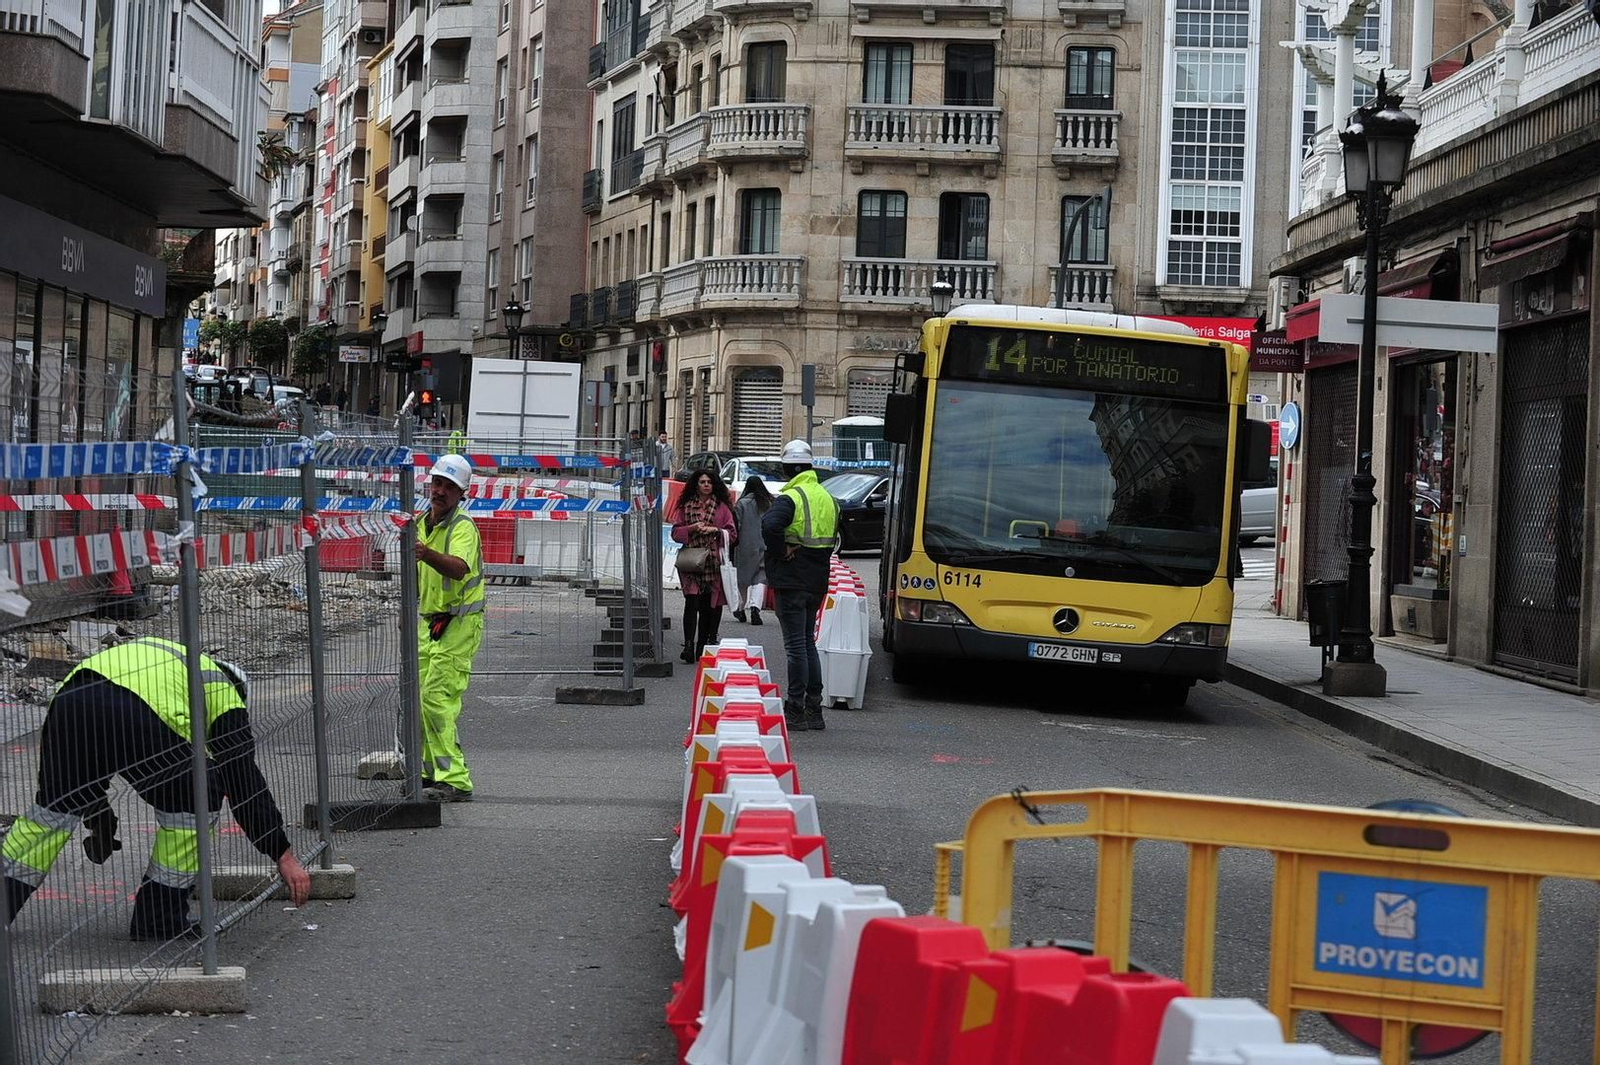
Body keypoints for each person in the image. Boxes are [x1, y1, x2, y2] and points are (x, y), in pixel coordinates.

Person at [2, 638, 312, 937]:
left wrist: (95, 808)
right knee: (197, 799)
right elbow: (243, 782)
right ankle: (158, 918)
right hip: (135, 710)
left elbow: (97, 733)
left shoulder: (173, 661)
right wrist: (282, 854)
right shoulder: (225, 695)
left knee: (52, 812)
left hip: (70, 699)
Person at [414, 454, 485, 802]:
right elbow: (417, 574)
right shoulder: (421, 523)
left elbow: (458, 568)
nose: (440, 491)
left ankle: (455, 779)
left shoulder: (462, 527)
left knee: (436, 697)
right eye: (437, 483)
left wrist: (426, 553)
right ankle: (431, 772)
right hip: (430, 621)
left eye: (449, 487)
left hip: (458, 623)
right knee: (420, 698)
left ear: (461, 493)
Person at [761, 439, 838, 732]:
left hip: (792, 579)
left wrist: (781, 551)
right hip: (816, 580)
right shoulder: (828, 498)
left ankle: (795, 708)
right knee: (807, 644)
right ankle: (814, 709)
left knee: (795, 647)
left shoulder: (791, 497)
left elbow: (770, 525)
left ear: (789, 469)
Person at [670, 468, 737, 663]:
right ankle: (688, 645)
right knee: (691, 603)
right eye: (702, 482)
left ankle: (702, 646)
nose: (706, 485)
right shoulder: (685, 506)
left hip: (712, 563)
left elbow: (732, 535)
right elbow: (675, 533)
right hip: (691, 562)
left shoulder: (722, 507)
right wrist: (691, 529)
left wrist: (715, 530)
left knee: (709, 607)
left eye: (709, 482)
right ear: (696, 485)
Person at [732, 476, 773, 626]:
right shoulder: (769, 503)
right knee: (760, 578)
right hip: (764, 545)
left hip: (745, 546)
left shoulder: (741, 503)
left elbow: (736, 525)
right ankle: (755, 608)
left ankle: (740, 608)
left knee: (742, 580)